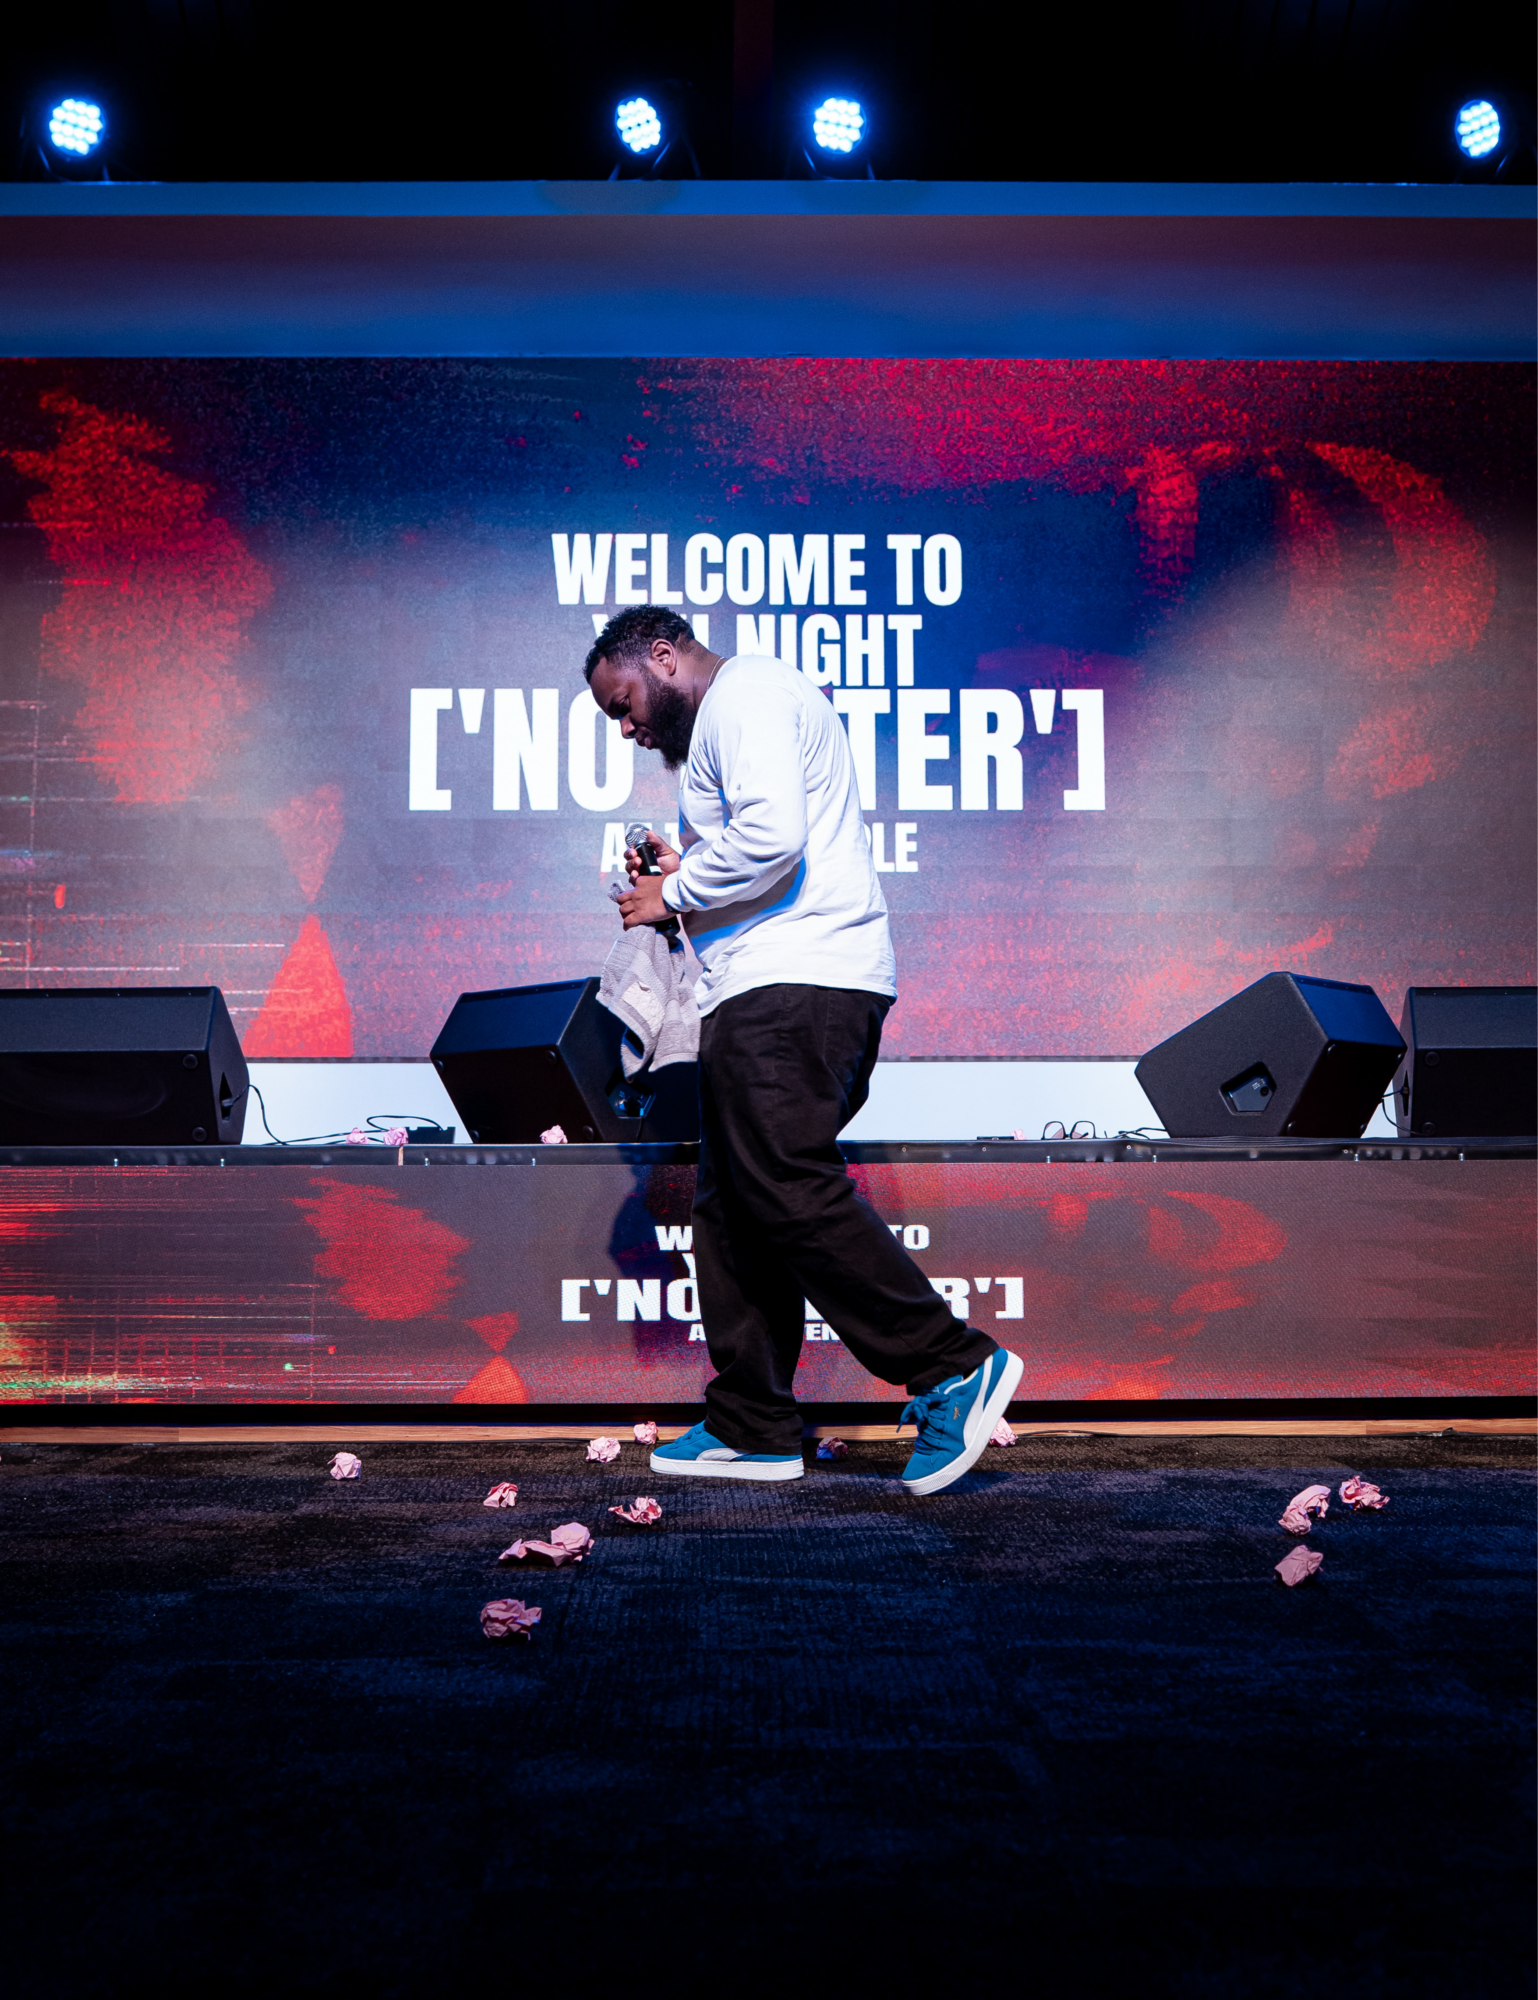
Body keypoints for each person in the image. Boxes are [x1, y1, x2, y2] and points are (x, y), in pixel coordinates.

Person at [585, 605, 1023, 1494]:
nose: (628, 729)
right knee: (733, 1204)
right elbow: (767, 845)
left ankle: (950, 1365)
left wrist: (673, 892)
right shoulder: (736, 716)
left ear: (664, 656)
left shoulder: (745, 694)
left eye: (624, 703)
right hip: (773, 984)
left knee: (782, 1182)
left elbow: (775, 842)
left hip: (798, 986)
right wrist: (690, 869)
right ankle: (753, 1423)